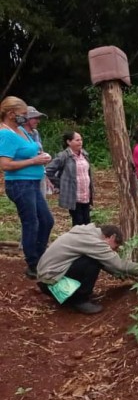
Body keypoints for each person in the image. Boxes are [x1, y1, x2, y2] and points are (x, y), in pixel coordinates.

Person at [0, 96, 54, 278]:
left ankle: (39, 257)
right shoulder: (6, 134)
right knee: (31, 223)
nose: (25, 117)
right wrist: (34, 160)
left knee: (47, 221)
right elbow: (5, 165)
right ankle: (33, 264)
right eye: (22, 114)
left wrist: (41, 155)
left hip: (32, 182)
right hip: (20, 184)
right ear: (10, 114)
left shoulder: (21, 129)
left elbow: (30, 151)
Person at [36, 224, 138, 314]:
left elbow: (111, 265)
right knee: (92, 262)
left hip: (47, 283)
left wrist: (118, 274)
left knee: (93, 259)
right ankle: (79, 300)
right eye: (115, 247)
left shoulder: (87, 234)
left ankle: (73, 296)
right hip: (54, 287)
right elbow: (119, 265)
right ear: (112, 237)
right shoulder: (94, 242)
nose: (114, 251)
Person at [46, 131, 95, 226]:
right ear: (69, 142)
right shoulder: (64, 156)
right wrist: (61, 184)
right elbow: (48, 170)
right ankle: (77, 240)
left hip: (85, 194)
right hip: (74, 196)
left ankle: (85, 240)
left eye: (81, 140)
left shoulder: (84, 154)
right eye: (77, 140)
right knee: (78, 222)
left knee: (87, 221)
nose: (80, 142)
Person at [24, 106, 50, 196]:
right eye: (35, 118)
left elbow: (40, 150)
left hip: (40, 173)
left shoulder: (35, 133)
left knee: (42, 202)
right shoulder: (19, 134)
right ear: (26, 119)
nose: (38, 121)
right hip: (27, 175)